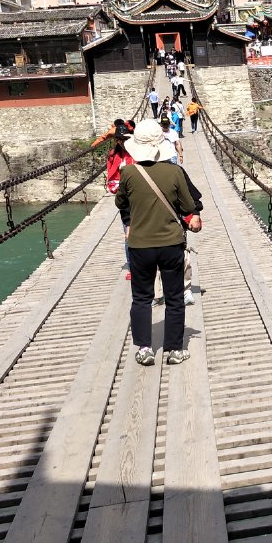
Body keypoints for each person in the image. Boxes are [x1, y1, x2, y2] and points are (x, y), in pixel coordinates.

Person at [115, 119, 201, 366]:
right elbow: (188, 206)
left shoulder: (129, 172)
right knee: (174, 297)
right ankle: (174, 349)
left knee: (141, 297)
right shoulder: (174, 172)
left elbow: (120, 203)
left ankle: (144, 349)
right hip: (171, 243)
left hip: (140, 245)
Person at [102, 120, 135, 277]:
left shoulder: (138, 151)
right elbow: (111, 181)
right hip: (125, 200)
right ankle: (132, 267)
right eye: (122, 140)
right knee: (128, 233)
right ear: (117, 141)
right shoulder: (113, 156)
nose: (124, 142)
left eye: (127, 139)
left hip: (141, 196)